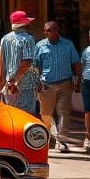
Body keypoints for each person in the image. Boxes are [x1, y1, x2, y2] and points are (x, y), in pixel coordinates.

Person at [35, 21, 80, 153]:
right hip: (46, 85)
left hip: (65, 83)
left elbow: (76, 63)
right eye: (48, 31)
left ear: (58, 30)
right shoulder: (40, 46)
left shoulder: (68, 45)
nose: (51, 32)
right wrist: (37, 81)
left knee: (64, 113)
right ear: (45, 32)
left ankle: (62, 141)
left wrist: (78, 80)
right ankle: (47, 137)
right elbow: (36, 65)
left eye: (53, 30)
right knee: (46, 114)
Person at [0, 10, 39, 115]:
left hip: (8, 87)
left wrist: (1, 85)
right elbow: (27, 62)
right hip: (25, 86)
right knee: (26, 118)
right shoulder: (28, 39)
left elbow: (0, 65)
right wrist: (14, 81)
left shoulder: (5, 39)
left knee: (12, 118)